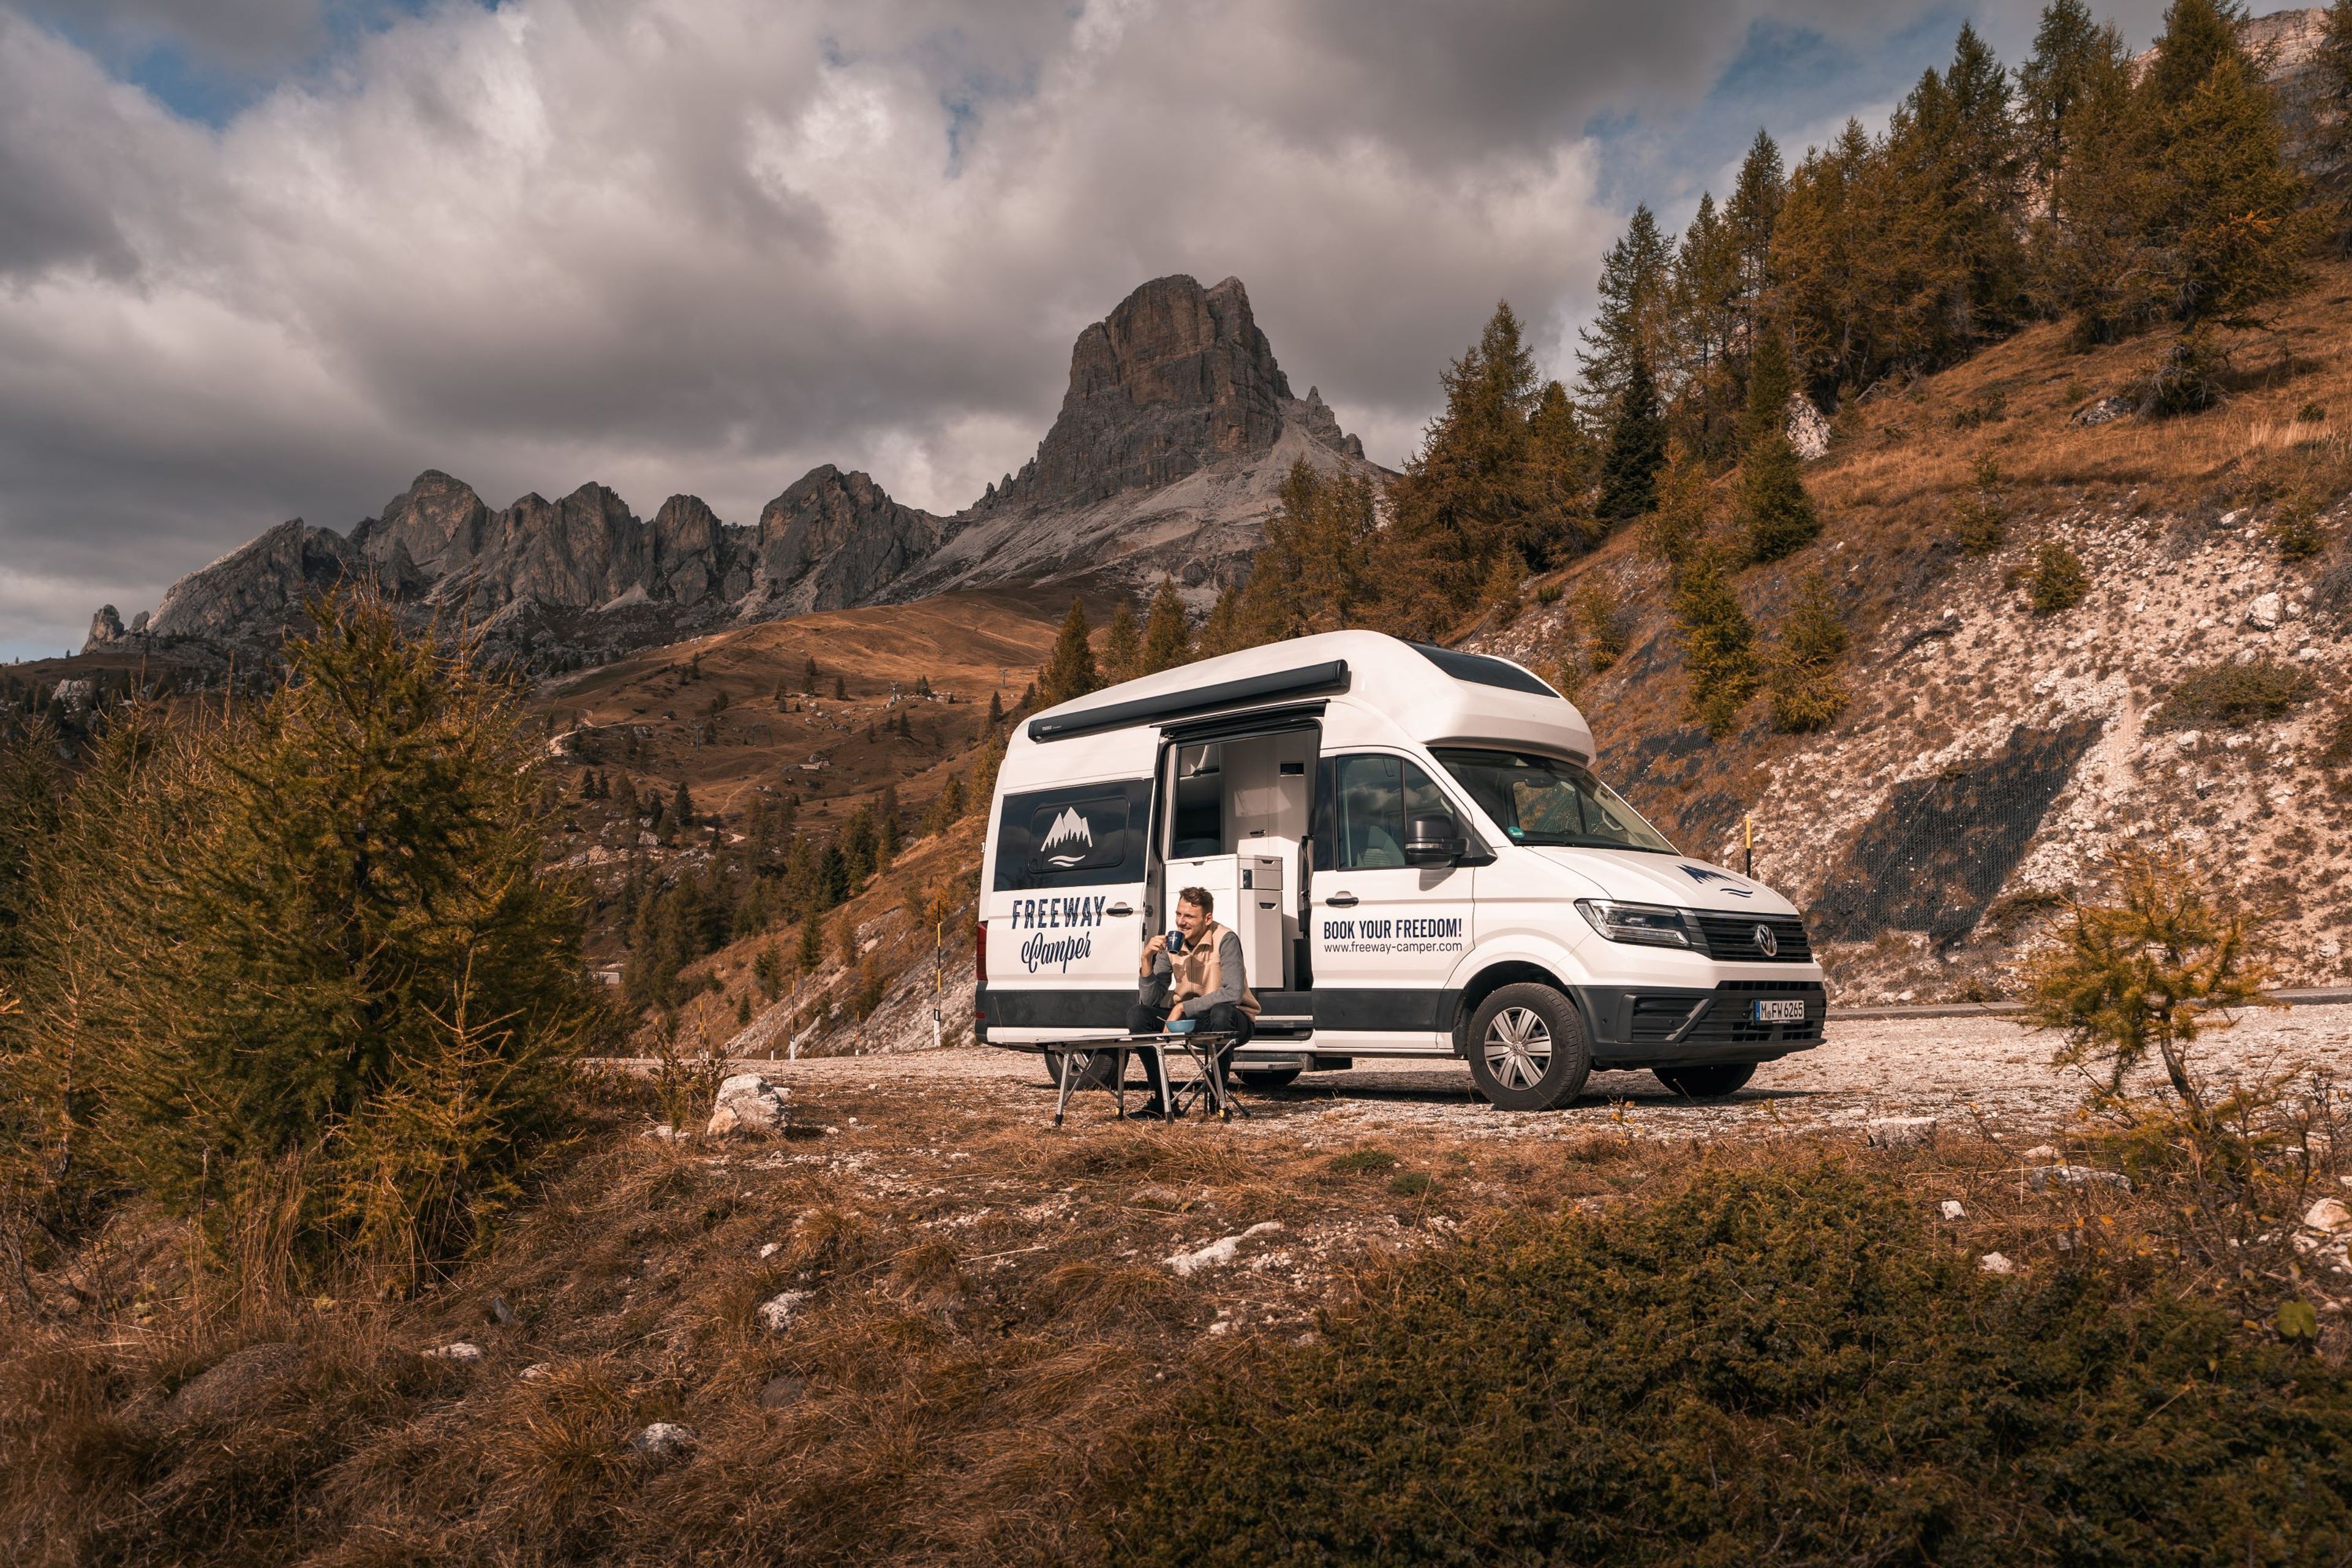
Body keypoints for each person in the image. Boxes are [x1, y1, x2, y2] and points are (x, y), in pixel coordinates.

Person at [1129, 886, 1259, 1117]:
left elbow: (1233, 993)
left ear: (1207, 918)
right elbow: (1151, 999)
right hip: (1190, 1021)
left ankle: (1217, 1097)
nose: (1181, 922)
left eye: (1189, 916)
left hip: (1233, 1020)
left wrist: (1182, 1007)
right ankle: (1164, 1100)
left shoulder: (1225, 939)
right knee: (1138, 1015)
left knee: (1221, 1012)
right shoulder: (1172, 944)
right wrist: (1146, 959)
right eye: (1178, 914)